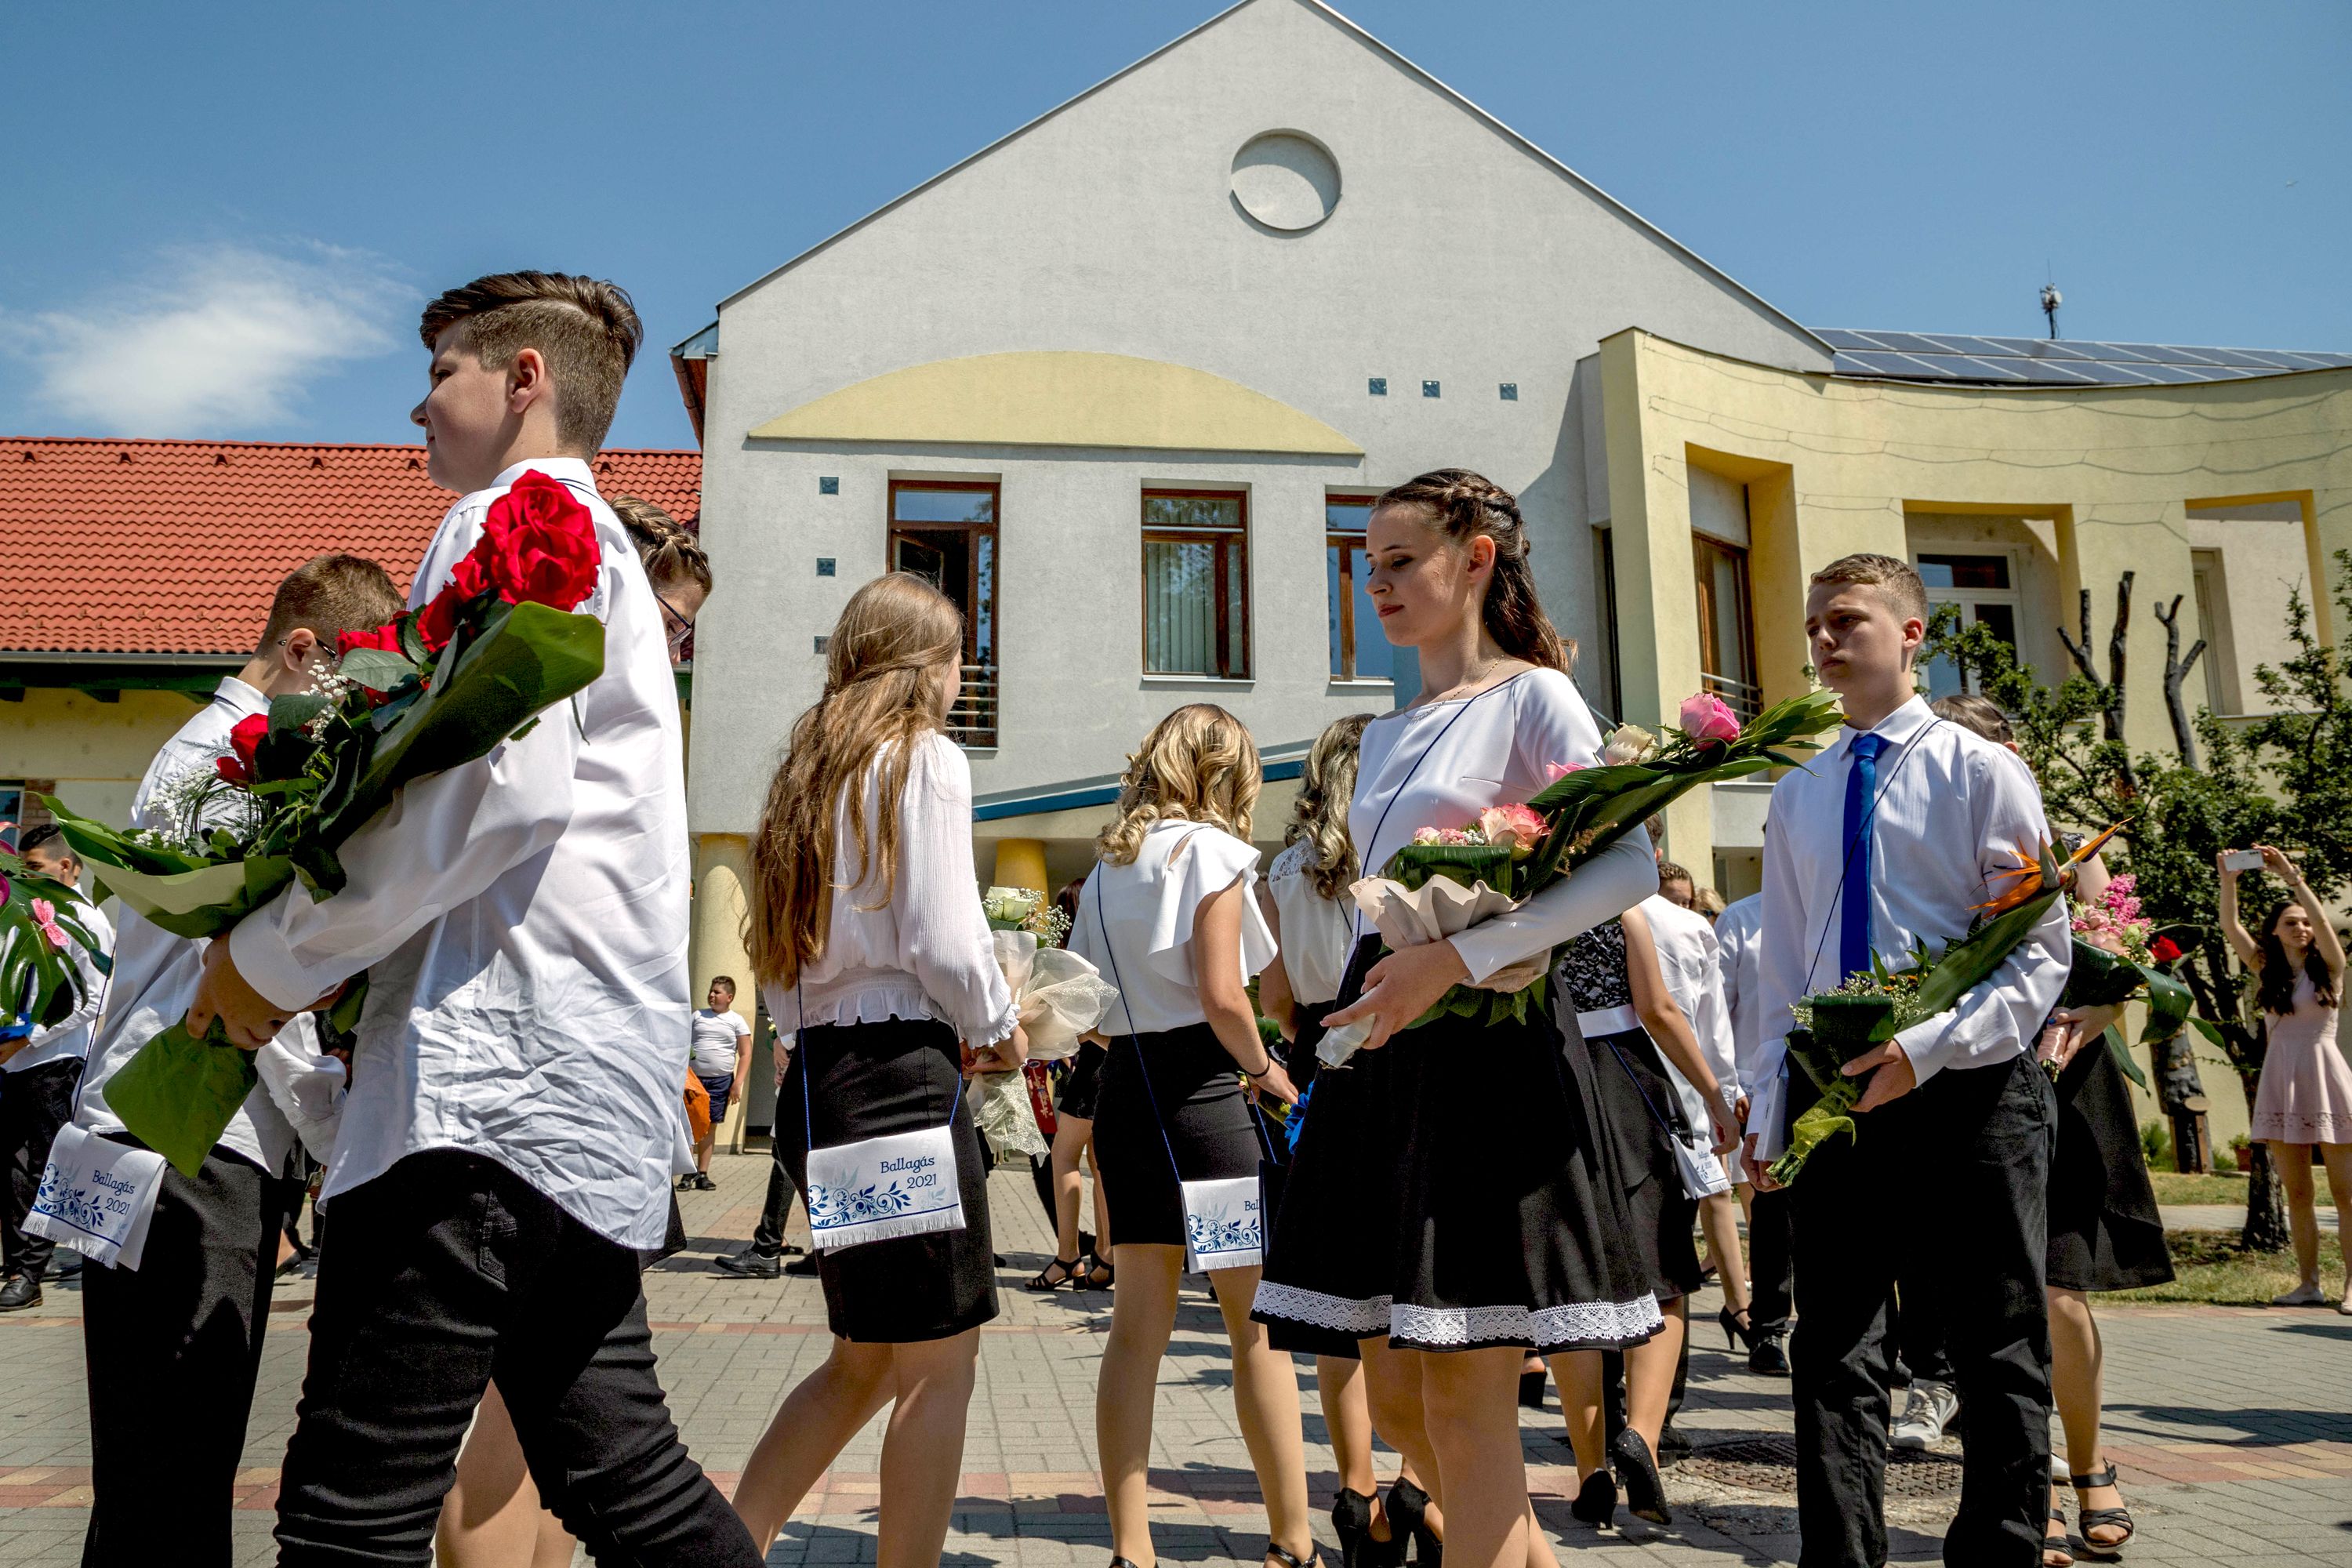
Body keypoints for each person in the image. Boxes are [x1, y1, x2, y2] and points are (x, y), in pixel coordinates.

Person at [187, 271, 760, 1565]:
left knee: (351, 1513)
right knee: (628, 1483)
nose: (418, 406)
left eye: (442, 371)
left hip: (482, 1090)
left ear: (524, 379)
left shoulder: (515, 516)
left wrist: (270, 961)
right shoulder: (603, 548)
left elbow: (497, 793)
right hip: (576, 1095)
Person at [1260, 470, 1661, 1568]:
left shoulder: (1536, 697)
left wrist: (1456, 958)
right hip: (1385, 1059)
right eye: (1369, 565)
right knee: (1401, 1402)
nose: (1377, 584)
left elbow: (1630, 864)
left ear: (1476, 558)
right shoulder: (1387, 733)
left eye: (1402, 561)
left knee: (1461, 1398)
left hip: (1489, 1051)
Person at [66, 554, 400, 1566]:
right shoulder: (237, 766)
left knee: (147, 1475)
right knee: (175, 1467)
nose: (353, 712)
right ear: (302, 649)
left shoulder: (197, 751)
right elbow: (253, 982)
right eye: (349, 683)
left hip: (141, 1127)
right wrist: (341, 1134)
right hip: (193, 1142)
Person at [1747, 553, 2070, 1568]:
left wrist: (1927, 1048)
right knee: (1833, 1348)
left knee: (1997, 1342)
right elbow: (1782, 965)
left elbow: (2036, 950)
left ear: (1912, 633)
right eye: (1815, 624)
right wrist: (1767, 1100)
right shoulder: (1800, 790)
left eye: (1846, 620)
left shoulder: (1981, 771)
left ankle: (2001, 1551)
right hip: (1837, 1095)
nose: (1824, 639)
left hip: (1970, 1091)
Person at [434, 485, 722, 1568]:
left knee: (570, 1432)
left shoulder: (631, 729)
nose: (677, 645)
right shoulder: (561, 690)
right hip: (530, 1077)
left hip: (597, 1092)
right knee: (514, 1420)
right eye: (674, 618)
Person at [728, 572, 1022, 1566]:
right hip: (902, 1078)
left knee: (860, 1362)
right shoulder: (924, 757)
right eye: (956, 659)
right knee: (939, 1368)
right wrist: (999, 1023)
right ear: (925, 665)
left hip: (822, 1078)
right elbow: (944, 935)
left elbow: (776, 964)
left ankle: (730, 1548)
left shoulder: (804, 774)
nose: (960, 678)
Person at [1066, 704, 1316, 1568]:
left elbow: (1088, 1011)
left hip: (1127, 1098)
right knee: (1253, 1329)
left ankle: (1130, 1548)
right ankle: (1292, 1540)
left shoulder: (1108, 866)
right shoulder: (1210, 851)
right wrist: (1265, 1068)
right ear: (1225, 772)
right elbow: (1223, 994)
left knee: (1136, 1329)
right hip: (1204, 1103)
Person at [1932, 691, 2172, 1563]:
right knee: (1993, 1298)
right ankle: (2022, 1488)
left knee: (2061, 1293)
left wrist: (2097, 1013)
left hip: (2066, 1082)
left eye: (1977, 746)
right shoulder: (1931, 846)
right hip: (1967, 1082)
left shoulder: (2070, 847)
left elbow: (2122, 958)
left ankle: (2088, 1461)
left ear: (2010, 751)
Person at [1254, 713, 1438, 1568]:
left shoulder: (1285, 869)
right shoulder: (1400, 850)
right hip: (1397, 1051)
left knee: (1339, 1293)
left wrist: (1306, 1042)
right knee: (1408, 1281)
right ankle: (1418, 1481)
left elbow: (1275, 996)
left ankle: (1356, 1488)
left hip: (1316, 1057)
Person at [1550, 904, 1742, 1529]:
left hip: (1549, 1081)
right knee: (1663, 1273)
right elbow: (1658, 1010)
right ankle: (1643, 1438)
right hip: (1625, 1080)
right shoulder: (1619, 910)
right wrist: (1716, 1095)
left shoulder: (1520, 903)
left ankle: (1591, 1469)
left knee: (1573, 1291)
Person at [2220, 844, 2352, 1313]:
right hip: (2283, 1082)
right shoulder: (2266, 970)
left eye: (2305, 922)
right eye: (2290, 922)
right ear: (2275, 931)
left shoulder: (2330, 967)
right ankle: (2309, 1284)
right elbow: (2230, 927)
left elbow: (2323, 926)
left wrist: (2292, 876)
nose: (2301, 928)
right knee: (2298, 1193)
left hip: (2328, 1081)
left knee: (2346, 1194)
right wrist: (2228, 881)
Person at [0, 825, 112, 1313]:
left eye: (35, 868)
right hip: (13, 1059)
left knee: (44, 1166)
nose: (26, 878)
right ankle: (17, 1266)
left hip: (55, 1059)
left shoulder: (88, 920)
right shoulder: (23, 913)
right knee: (11, 1167)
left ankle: (29, 1272)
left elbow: (93, 998)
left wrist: (27, 1038)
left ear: (65, 866)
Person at [1715, 887, 1792, 1374]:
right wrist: (1728, 1086)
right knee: (1772, 1215)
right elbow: (1718, 1010)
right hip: (1759, 1085)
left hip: (1839, 1078)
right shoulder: (1742, 919)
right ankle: (1769, 1328)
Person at [1031, 872, 1116, 1292]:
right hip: (1119, 1064)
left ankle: (1068, 1256)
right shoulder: (1117, 944)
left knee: (1064, 1157)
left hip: (1094, 1065)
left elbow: (1081, 1025)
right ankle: (1105, 1255)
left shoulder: (1075, 959)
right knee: (1102, 1163)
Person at [684, 977, 752, 1190]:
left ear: (729, 997)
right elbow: (683, 1042)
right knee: (690, 1124)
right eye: (711, 991)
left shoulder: (736, 1021)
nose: (711, 995)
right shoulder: (697, 1016)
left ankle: (703, 1173)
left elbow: (746, 1054)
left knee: (709, 1126)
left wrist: (737, 1083)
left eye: (717, 992)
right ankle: (687, 1171)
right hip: (694, 1080)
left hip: (721, 1082)